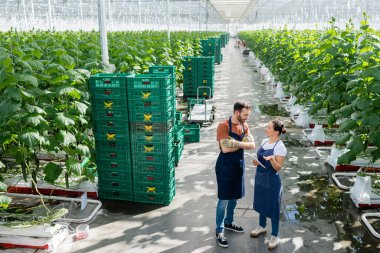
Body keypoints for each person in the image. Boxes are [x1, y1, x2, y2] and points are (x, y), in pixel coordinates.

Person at [215, 102, 256, 248]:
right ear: (237, 113)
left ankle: (228, 222)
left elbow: (252, 145)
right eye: (245, 115)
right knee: (224, 200)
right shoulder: (223, 126)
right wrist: (241, 143)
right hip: (225, 166)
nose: (247, 118)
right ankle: (219, 230)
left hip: (238, 166)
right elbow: (225, 149)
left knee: (234, 198)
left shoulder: (244, 126)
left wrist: (234, 143)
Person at [251, 119, 287, 250]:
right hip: (260, 178)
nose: (266, 129)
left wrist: (272, 159)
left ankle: (275, 235)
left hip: (272, 181)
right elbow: (259, 159)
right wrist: (256, 162)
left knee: (273, 207)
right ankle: (262, 226)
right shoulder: (264, 142)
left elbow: (278, 168)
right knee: (261, 202)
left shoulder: (280, 146)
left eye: (269, 128)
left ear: (276, 132)